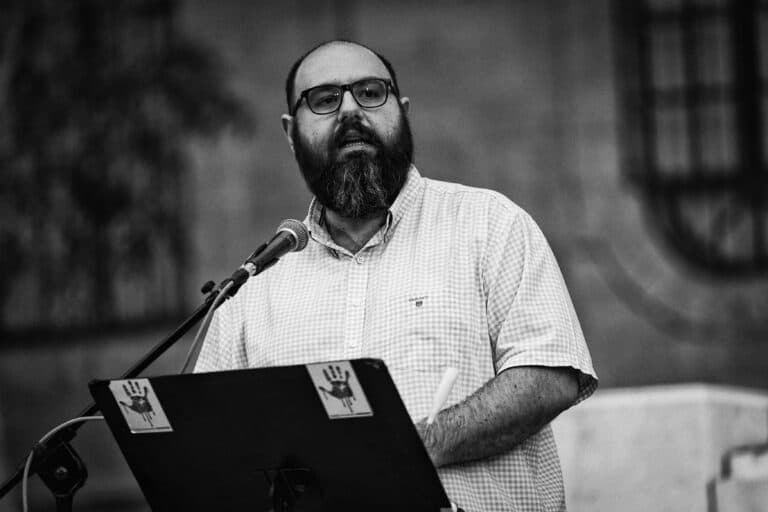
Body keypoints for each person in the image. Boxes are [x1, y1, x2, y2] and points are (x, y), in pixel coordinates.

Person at [195, 39, 597, 511]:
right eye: (324, 99)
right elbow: (210, 438)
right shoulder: (254, 284)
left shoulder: (491, 225)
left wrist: (420, 444)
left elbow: (551, 375)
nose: (350, 111)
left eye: (370, 93)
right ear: (290, 132)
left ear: (402, 112)